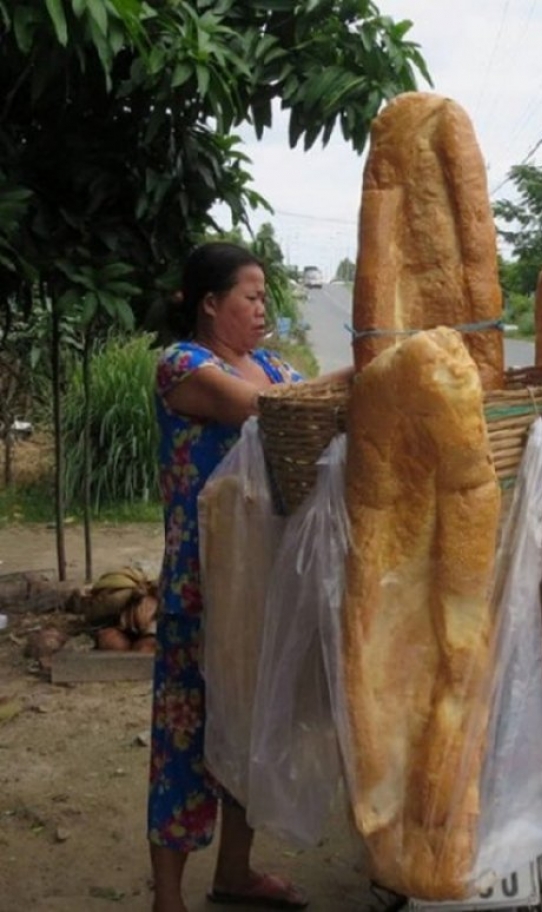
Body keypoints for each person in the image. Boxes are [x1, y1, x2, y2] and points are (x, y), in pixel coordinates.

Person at [149, 242, 350, 912]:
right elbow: (278, 409)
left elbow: (310, 398)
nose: (264, 306)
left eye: (265, 295)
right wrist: (356, 377)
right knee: (185, 739)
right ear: (211, 304)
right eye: (252, 295)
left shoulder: (265, 362)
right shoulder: (185, 366)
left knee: (247, 732)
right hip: (199, 586)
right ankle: (168, 898)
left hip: (259, 583)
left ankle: (235, 872)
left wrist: (378, 366)